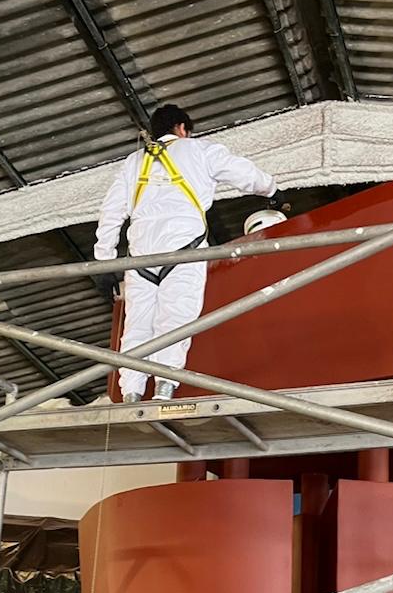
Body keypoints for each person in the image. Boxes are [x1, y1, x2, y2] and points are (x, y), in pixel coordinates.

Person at [95, 104, 278, 402]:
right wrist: (271, 190)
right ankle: (163, 393)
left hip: (140, 257)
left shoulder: (133, 162)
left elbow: (111, 212)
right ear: (182, 129)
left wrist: (104, 259)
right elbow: (244, 173)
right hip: (183, 252)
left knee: (137, 326)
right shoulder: (199, 150)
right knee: (175, 321)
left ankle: (131, 393)